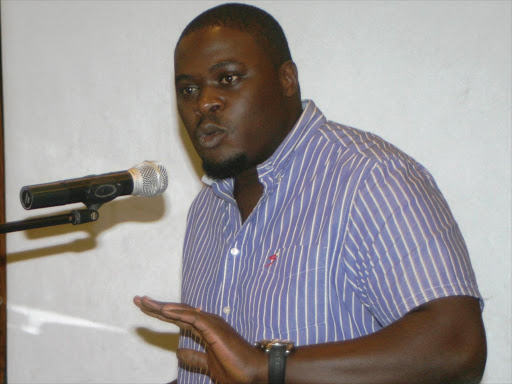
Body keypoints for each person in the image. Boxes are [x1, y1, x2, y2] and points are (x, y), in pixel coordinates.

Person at [134, 3, 487, 383]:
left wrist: (269, 368)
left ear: (287, 80)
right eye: (189, 89)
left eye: (229, 79)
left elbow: (457, 345)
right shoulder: (207, 209)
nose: (204, 103)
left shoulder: (368, 177)